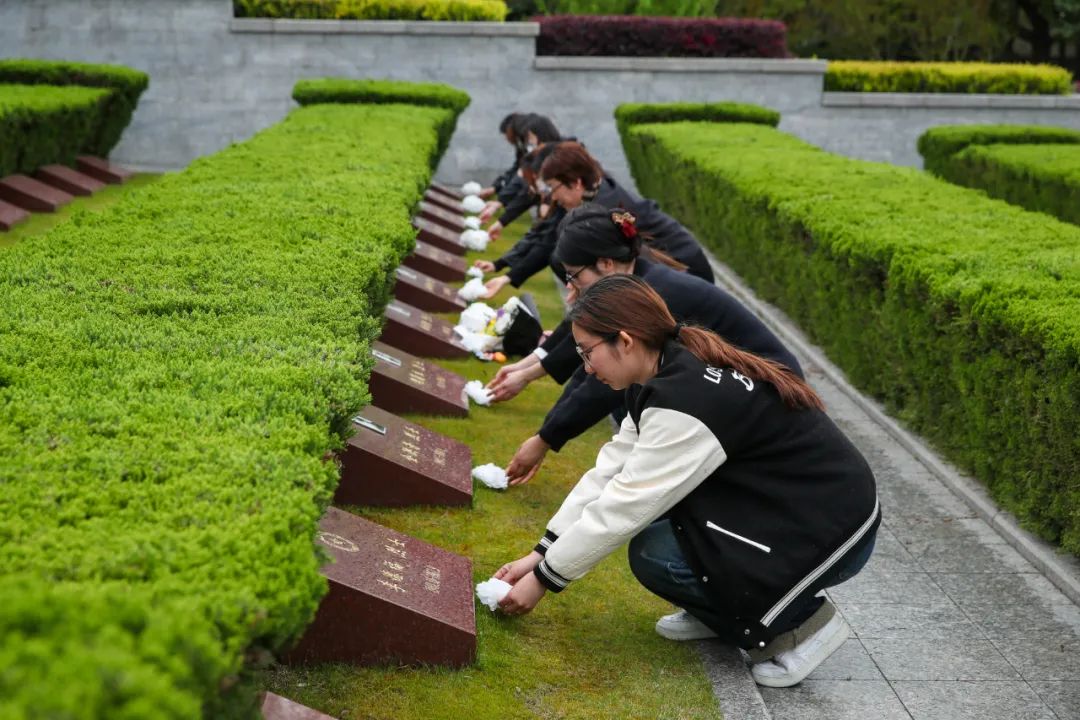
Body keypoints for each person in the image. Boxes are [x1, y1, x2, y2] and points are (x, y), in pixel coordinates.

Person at [493, 274, 880, 688]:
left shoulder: (685, 401)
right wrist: (543, 552)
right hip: (785, 506)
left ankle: (801, 628)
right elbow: (609, 471)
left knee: (660, 555)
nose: (586, 368)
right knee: (664, 538)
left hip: (833, 528)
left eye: (588, 353)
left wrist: (545, 580)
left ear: (625, 341)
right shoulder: (662, 373)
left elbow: (623, 507)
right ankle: (717, 613)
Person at [489, 205, 800, 484]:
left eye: (573, 277)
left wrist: (544, 440)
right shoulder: (636, 281)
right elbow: (590, 364)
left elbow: (598, 387)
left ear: (606, 263)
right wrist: (531, 383)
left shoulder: (654, 294)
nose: (572, 289)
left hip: (770, 392)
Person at [478, 141, 712, 299]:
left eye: (553, 188)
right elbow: (550, 239)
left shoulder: (604, 209)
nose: (552, 197)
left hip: (684, 268)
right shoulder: (587, 197)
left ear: (576, 183)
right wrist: (506, 275)